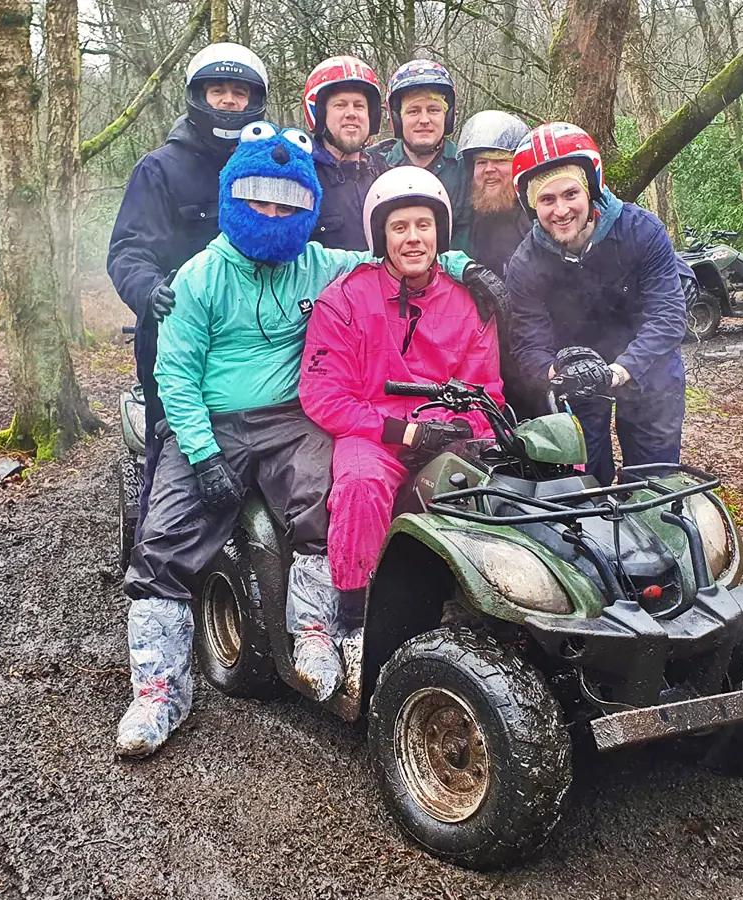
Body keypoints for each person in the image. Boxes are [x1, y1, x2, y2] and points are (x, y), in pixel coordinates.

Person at [116, 124, 509, 756]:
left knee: (324, 502)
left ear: (307, 210)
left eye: (289, 203)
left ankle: (315, 633)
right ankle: (157, 691)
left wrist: (465, 266)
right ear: (233, 199)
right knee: (162, 544)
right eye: (261, 201)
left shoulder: (319, 264)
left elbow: (397, 254)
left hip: (290, 418)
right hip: (210, 421)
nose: (275, 214)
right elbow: (175, 376)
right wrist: (202, 452)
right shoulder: (198, 278)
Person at [297, 167, 503, 692]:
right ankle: (354, 616)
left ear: (441, 232)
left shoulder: (468, 302)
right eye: (400, 227)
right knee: (361, 488)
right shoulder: (344, 299)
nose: (413, 238)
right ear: (380, 236)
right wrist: (400, 431)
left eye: (424, 226)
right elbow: (323, 394)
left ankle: (490, 614)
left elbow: (488, 392)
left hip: (446, 435)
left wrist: (459, 428)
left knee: (496, 489)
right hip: (375, 434)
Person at [107, 42, 269, 541]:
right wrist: (149, 289)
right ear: (197, 97)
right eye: (217, 91)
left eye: (238, 93)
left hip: (256, 336)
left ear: (254, 101)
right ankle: (154, 562)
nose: (227, 101)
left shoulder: (268, 161)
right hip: (175, 333)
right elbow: (127, 250)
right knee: (174, 451)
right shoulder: (160, 169)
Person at [504, 122, 687, 487]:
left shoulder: (642, 231)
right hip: (575, 371)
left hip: (647, 363)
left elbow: (667, 317)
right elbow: (528, 344)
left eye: (571, 194)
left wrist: (620, 370)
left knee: (654, 480)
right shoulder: (525, 263)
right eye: (547, 199)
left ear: (591, 189)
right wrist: (558, 373)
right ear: (531, 205)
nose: (561, 210)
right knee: (583, 480)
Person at [372, 59, 470, 250]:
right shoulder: (375, 167)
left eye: (433, 110)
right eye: (413, 111)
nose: (424, 120)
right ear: (397, 119)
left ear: (448, 117)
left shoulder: (467, 167)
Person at [303, 55, 388, 250]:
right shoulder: (301, 176)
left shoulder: (386, 174)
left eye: (359, 106)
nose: (351, 113)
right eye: (340, 105)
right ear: (320, 114)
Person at [456, 110, 531, 276]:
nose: (489, 169)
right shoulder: (470, 215)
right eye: (481, 162)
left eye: (500, 160)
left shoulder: (534, 218)